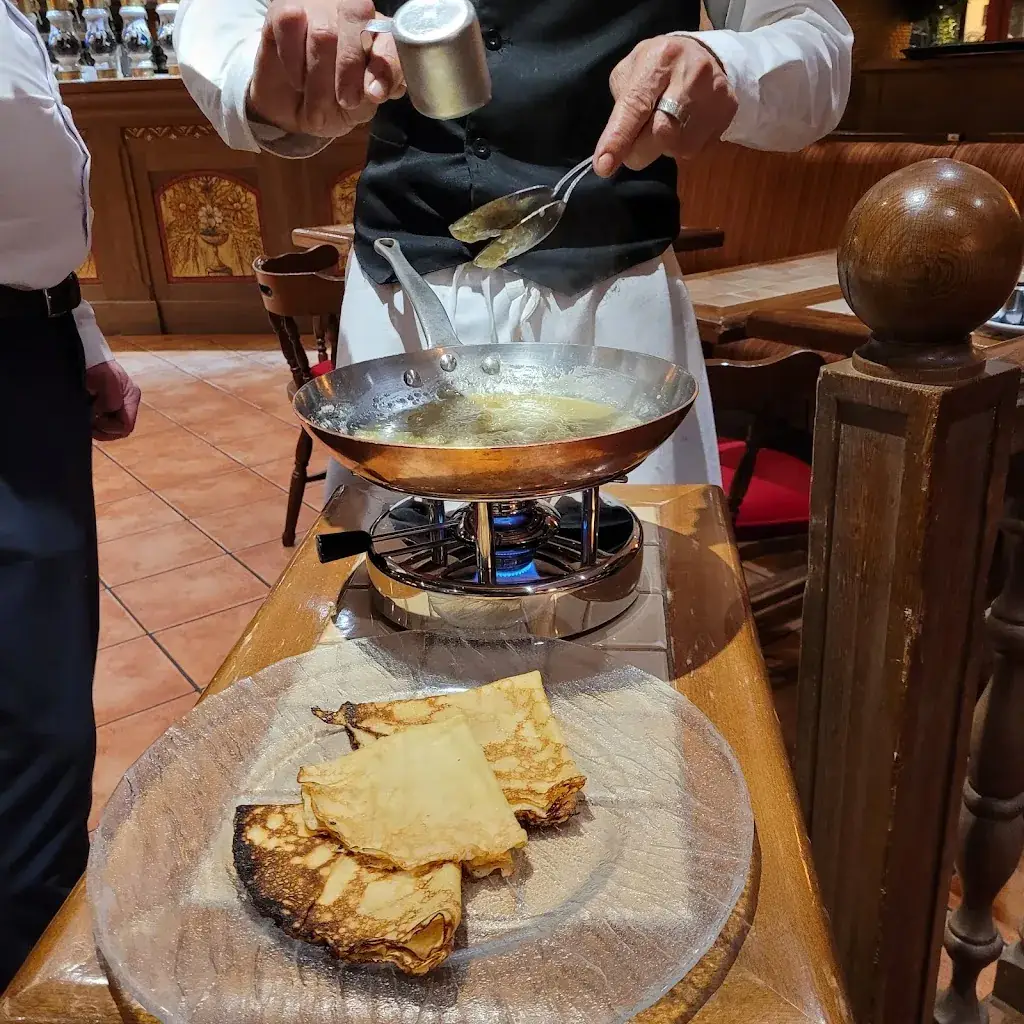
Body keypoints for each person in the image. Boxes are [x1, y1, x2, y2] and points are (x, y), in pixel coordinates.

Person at [176, 0, 851, 498]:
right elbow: (220, 20)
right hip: (401, 314)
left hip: (614, 313)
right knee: (399, 612)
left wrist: (728, 60)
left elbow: (817, 40)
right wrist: (263, 72)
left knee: (630, 611)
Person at [0, 0, 141, 990]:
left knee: (45, 697)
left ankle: (43, 945)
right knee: (33, 716)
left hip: (31, 350)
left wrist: (78, 338)